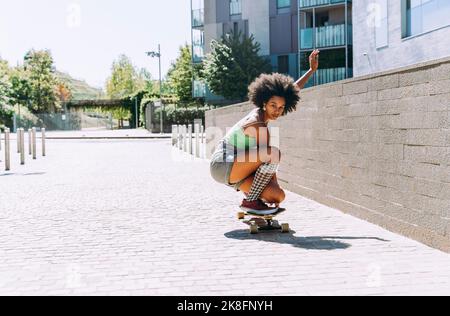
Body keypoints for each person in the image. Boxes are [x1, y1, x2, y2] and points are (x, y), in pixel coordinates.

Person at [210, 50, 320, 214]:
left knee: (278, 196)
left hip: (240, 167)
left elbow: (291, 91)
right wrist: (269, 182)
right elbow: (268, 157)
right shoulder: (256, 123)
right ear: (264, 103)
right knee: (273, 153)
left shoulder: (266, 115)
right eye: (273, 106)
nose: (277, 110)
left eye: (281, 107)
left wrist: (311, 71)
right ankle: (250, 201)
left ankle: (253, 199)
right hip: (223, 164)